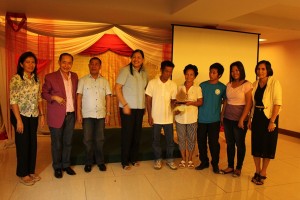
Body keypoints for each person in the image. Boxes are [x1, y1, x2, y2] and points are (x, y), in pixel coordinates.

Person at [10, 51, 45, 186]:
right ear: (21, 64)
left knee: (32, 144)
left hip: (33, 115)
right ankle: (22, 173)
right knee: (23, 144)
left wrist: (42, 115)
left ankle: (30, 171)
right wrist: (18, 120)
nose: (31, 64)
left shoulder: (36, 78)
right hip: (20, 115)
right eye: (27, 62)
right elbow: (13, 100)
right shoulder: (16, 79)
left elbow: (39, 98)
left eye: (33, 62)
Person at [42, 53, 78, 178]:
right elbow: (43, 93)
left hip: (71, 114)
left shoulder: (74, 76)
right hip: (56, 115)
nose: (66, 65)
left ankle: (66, 165)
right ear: (59, 62)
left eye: (69, 63)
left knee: (68, 142)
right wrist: (54, 97)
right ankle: (57, 167)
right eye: (64, 62)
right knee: (57, 143)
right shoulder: (50, 77)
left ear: (72, 64)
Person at [248, 60, 282, 185]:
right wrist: (250, 118)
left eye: (263, 69)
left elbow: (277, 103)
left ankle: (263, 172)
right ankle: (257, 171)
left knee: (267, 145)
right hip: (257, 116)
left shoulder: (274, 83)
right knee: (256, 144)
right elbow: (253, 104)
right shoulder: (255, 84)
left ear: (268, 70)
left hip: (269, 117)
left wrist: (272, 121)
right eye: (258, 69)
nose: (260, 71)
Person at [77, 57, 111, 172]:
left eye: (96, 64)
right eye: (92, 64)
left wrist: (108, 113)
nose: (94, 66)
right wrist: (79, 113)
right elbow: (79, 97)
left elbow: (108, 97)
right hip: (87, 115)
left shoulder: (105, 81)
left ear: (100, 66)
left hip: (101, 115)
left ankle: (100, 162)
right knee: (87, 140)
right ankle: (88, 162)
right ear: (88, 65)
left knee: (100, 139)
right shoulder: (82, 80)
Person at [115, 49, 148, 170]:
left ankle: (133, 158)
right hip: (128, 108)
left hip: (139, 108)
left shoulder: (144, 73)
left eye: (139, 57)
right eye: (134, 57)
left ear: (142, 60)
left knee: (136, 135)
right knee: (127, 135)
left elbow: (144, 90)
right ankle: (124, 162)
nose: (136, 59)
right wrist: (125, 104)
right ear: (131, 58)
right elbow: (117, 88)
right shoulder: (125, 71)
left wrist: (144, 106)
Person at [220, 61, 253, 177]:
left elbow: (249, 103)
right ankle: (230, 166)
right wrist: (222, 115)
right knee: (229, 143)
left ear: (241, 71)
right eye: (232, 71)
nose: (234, 73)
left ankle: (238, 168)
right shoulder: (228, 84)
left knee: (240, 143)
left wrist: (242, 119)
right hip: (228, 118)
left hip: (240, 120)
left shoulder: (247, 84)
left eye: (237, 70)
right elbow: (226, 101)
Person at [145, 60, 178, 170]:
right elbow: (148, 100)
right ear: (161, 70)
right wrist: (149, 116)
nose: (168, 74)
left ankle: (170, 159)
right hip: (155, 117)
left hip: (168, 118)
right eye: (166, 71)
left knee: (170, 141)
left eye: (170, 72)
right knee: (156, 141)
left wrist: (177, 107)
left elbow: (173, 101)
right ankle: (158, 159)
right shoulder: (152, 83)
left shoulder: (173, 85)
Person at [195, 63, 226, 173]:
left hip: (215, 120)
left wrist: (222, 114)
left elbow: (226, 101)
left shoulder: (222, 87)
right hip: (202, 119)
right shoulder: (202, 85)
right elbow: (198, 100)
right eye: (210, 71)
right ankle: (204, 162)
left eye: (213, 72)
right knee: (201, 141)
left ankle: (215, 163)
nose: (211, 74)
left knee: (213, 143)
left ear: (219, 75)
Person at [174, 64, 203, 169]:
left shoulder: (197, 88)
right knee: (181, 139)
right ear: (184, 75)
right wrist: (178, 103)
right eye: (187, 74)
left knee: (191, 139)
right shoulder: (179, 87)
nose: (189, 76)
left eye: (191, 74)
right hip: (180, 118)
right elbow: (175, 102)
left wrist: (191, 103)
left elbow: (200, 102)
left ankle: (190, 159)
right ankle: (183, 159)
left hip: (192, 118)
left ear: (195, 76)